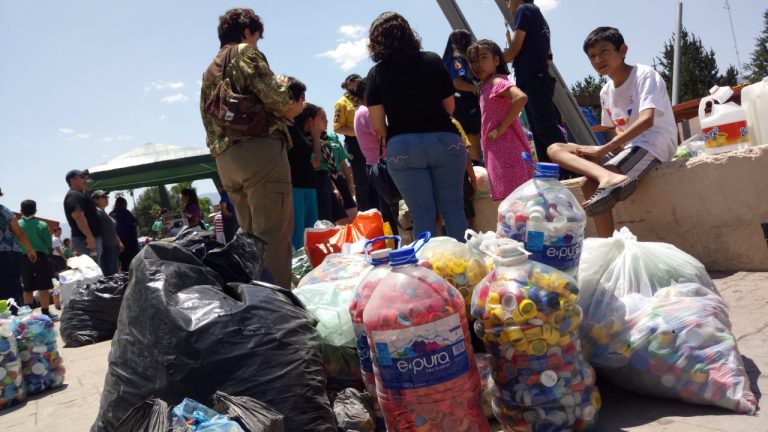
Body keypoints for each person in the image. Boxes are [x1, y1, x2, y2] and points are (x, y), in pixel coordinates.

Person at [547, 27, 677, 237]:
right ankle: (607, 179)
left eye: (604, 51)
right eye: (592, 56)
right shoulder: (605, 91)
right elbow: (617, 128)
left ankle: (609, 243)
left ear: (623, 50)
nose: (598, 59)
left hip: (653, 143)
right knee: (555, 148)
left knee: (587, 184)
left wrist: (604, 150)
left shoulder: (643, 75)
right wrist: (605, 153)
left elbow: (646, 120)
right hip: (626, 148)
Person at [200, 8, 298, 288]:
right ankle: (281, 313)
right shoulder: (246, 52)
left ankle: (256, 304)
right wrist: (283, 88)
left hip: (226, 161)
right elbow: (276, 100)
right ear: (246, 31)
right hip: (259, 153)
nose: (257, 42)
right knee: (274, 235)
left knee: (250, 239)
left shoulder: (210, 70)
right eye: (257, 36)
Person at [365, 12, 468, 241]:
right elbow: (450, 107)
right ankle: (465, 271)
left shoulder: (376, 74)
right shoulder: (432, 60)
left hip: (403, 146)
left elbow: (378, 127)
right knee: (453, 209)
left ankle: (429, 271)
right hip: (444, 140)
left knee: (422, 215)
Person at [468, 39, 534, 201]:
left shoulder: (496, 81)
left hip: (508, 150)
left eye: (483, 58)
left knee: (517, 199)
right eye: (473, 61)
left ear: (496, 60)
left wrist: (502, 126)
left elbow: (520, 97)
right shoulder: (485, 86)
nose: (478, 64)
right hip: (498, 150)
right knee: (514, 201)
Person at [502, 0, 565, 164]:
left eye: (508, 1)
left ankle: (566, 169)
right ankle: (557, 169)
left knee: (543, 129)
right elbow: (549, 57)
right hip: (539, 78)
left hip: (532, 80)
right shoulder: (538, 15)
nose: (508, 5)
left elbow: (514, 49)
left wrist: (496, 61)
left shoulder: (523, 10)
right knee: (542, 128)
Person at [353, 79, 400, 235]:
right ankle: (395, 243)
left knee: (387, 209)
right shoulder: (367, 112)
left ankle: (392, 243)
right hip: (383, 165)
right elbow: (382, 135)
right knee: (391, 211)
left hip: (373, 165)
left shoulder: (359, 112)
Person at [298, 103, 350, 225]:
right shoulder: (306, 140)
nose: (326, 121)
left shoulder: (326, 138)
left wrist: (334, 187)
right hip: (316, 182)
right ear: (311, 120)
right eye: (321, 118)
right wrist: (315, 138)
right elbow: (316, 163)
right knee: (325, 222)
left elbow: (334, 165)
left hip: (326, 180)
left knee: (343, 220)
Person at [285, 77, 319, 250]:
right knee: (299, 239)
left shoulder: (295, 125)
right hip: (294, 186)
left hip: (308, 185)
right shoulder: (280, 127)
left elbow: (315, 161)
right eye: (301, 97)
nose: (303, 101)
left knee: (312, 235)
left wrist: (315, 137)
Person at [334, 73, 376, 212]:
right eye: (355, 83)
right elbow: (337, 127)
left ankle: (378, 209)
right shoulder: (342, 103)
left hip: (369, 141)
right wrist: (359, 130)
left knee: (374, 177)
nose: (358, 85)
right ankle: (365, 213)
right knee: (361, 181)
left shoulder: (364, 100)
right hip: (354, 144)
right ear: (348, 84)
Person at [443, 29, 483, 165]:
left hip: (454, 106)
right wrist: (478, 88)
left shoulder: (446, 61)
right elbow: (458, 82)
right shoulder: (457, 59)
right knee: (474, 146)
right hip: (466, 105)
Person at [17, 200, 57, 320]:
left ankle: (28, 314)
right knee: (43, 286)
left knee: (27, 286)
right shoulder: (42, 225)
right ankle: (45, 312)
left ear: (20, 211)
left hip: (23, 257)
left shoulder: (17, 225)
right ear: (35, 211)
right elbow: (48, 245)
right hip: (41, 257)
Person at [0, 188, 36, 311]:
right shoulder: (4, 210)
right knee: (12, 287)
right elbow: (19, 232)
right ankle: (15, 319)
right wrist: (30, 250)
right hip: (9, 253)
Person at [63, 169, 103, 264]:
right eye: (82, 176)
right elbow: (79, 217)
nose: (85, 179)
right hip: (85, 240)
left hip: (88, 240)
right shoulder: (74, 195)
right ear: (72, 180)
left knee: (95, 272)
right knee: (93, 273)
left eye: (86, 177)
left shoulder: (80, 195)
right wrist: (89, 236)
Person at [92, 190, 122, 276]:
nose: (107, 199)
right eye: (104, 197)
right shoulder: (95, 212)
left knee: (115, 272)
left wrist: (118, 241)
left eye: (107, 197)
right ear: (95, 200)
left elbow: (112, 229)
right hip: (105, 247)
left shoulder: (102, 211)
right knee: (109, 274)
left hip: (112, 246)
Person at [110, 196, 139, 271]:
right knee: (132, 260)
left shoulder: (111, 214)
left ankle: (124, 275)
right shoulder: (125, 212)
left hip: (116, 240)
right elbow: (134, 222)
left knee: (122, 260)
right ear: (124, 204)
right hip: (129, 240)